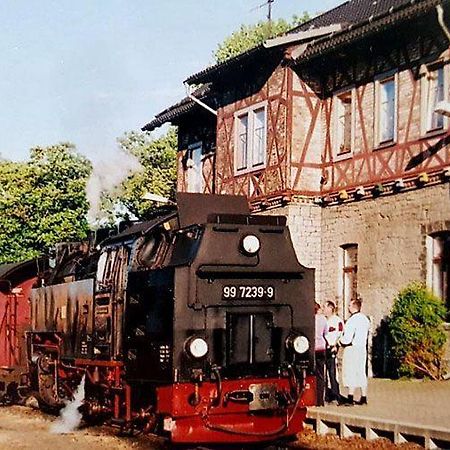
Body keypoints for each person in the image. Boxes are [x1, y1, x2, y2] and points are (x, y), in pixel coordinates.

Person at [339, 298, 370, 405]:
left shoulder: (352, 320)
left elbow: (347, 337)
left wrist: (340, 341)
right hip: (362, 348)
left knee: (350, 371)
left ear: (353, 307)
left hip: (352, 348)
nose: (348, 307)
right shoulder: (365, 319)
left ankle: (350, 397)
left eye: (349, 305)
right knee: (361, 372)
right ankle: (364, 396)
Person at [324, 301, 344, 403]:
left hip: (332, 348)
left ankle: (336, 394)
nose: (324, 310)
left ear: (331, 308)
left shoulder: (338, 321)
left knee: (332, 373)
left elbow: (340, 334)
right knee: (324, 373)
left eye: (325, 307)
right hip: (324, 349)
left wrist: (336, 345)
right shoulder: (325, 321)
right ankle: (328, 395)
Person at [314, 302, 328, 406]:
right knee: (320, 374)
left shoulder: (308, 319)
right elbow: (326, 333)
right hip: (321, 348)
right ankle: (320, 400)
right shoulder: (323, 319)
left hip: (312, 348)